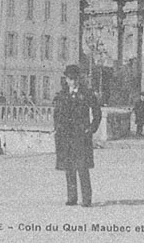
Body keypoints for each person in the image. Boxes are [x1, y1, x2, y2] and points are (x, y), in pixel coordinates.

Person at [53, 65, 102, 207]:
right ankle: (72, 197)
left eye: (75, 79)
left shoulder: (87, 94)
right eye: (70, 79)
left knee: (82, 167)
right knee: (69, 167)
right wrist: (57, 128)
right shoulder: (62, 95)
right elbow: (57, 114)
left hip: (81, 136)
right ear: (66, 79)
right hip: (66, 136)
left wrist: (91, 129)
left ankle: (86, 199)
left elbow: (97, 113)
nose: (73, 82)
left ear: (78, 79)